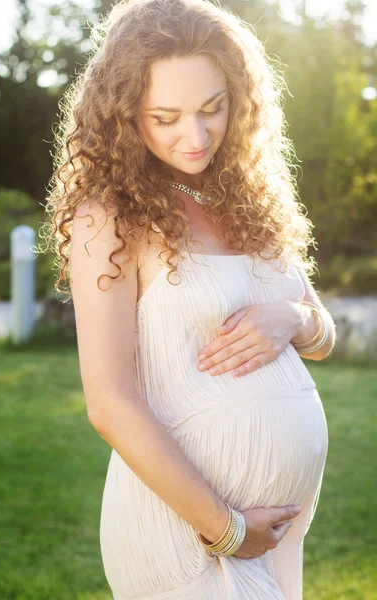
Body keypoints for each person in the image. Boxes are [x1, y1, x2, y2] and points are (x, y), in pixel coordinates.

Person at [43, 0, 336, 598]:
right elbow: (109, 403)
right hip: (186, 533)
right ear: (125, 115)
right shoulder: (110, 217)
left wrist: (293, 317)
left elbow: (323, 334)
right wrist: (225, 528)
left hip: (275, 534)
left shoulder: (250, 199)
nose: (195, 136)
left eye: (212, 110)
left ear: (239, 99)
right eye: (165, 117)